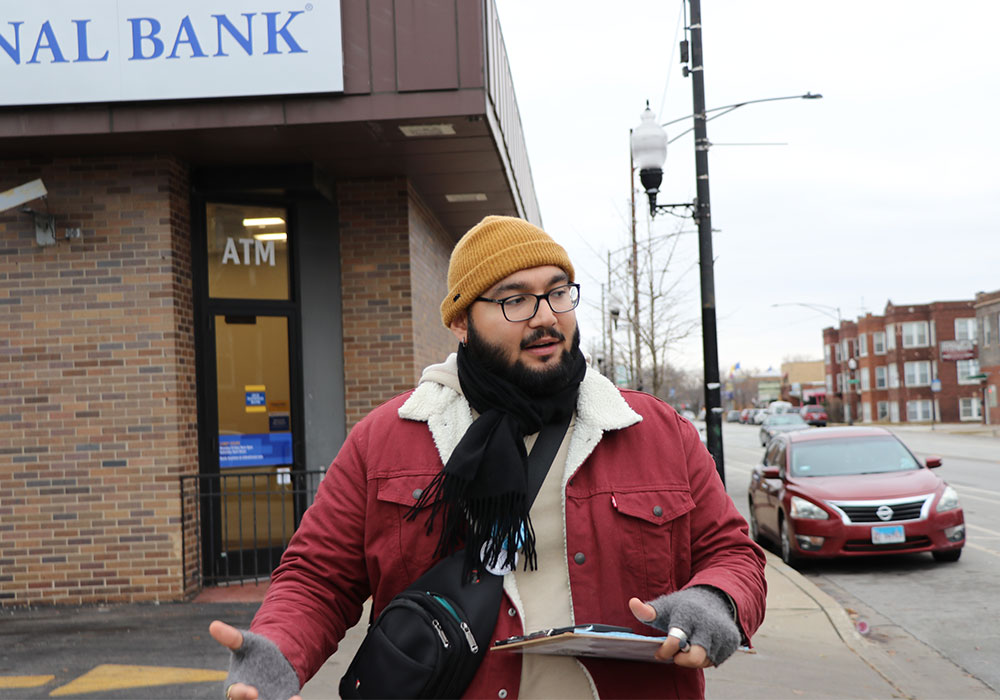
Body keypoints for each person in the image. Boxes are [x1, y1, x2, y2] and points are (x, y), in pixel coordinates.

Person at [210, 215, 767, 700]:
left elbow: (733, 555)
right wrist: (277, 654)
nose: (545, 316)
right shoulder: (388, 440)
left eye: (558, 292)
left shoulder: (653, 430)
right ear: (460, 321)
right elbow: (317, 578)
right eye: (515, 300)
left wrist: (713, 602)